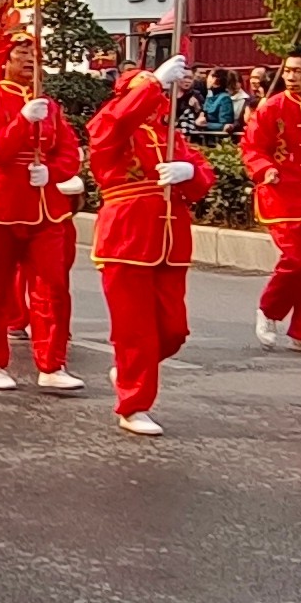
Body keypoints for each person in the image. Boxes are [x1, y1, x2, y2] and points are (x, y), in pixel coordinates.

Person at [88, 56, 212, 435]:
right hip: (126, 237)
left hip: (171, 237)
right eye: (146, 90)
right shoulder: (109, 127)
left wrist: (191, 173)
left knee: (173, 329)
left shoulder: (170, 134)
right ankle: (133, 403)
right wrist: (153, 82)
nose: (158, 97)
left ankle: (128, 369)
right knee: (134, 329)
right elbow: (116, 122)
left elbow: (204, 174)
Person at [0, 39, 86, 390]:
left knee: (53, 287)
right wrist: (21, 121)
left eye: (34, 60)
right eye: (21, 58)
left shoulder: (50, 106)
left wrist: (53, 171)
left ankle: (52, 365)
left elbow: (69, 151)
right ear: (4, 63)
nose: (29, 65)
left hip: (44, 206)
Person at [244, 47, 301, 353]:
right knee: (298, 262)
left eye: (299, 71)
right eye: (288, 71)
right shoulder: (271, 108)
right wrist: (265, 170)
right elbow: (252, 147)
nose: (291, 77)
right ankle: (269, 310)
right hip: (281, 197)